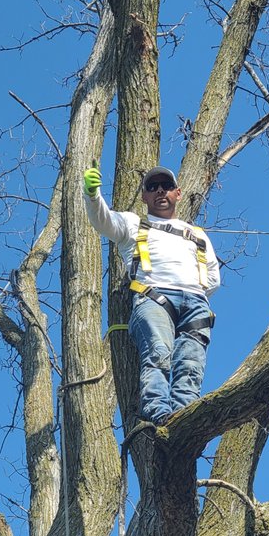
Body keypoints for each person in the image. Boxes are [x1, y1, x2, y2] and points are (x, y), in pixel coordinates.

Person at [83, 162, 220, 425]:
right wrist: (92, 195)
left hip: (196, 303)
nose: (160, 191)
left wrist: (195, 291)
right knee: (158, 353)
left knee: (191, 365)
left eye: (166, 186)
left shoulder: (198, 235)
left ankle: (183, 419)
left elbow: (213, 277)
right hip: (154, 297)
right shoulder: (133, 224)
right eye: (152, 187)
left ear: (177, 193)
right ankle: (159, 416)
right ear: (144, 196)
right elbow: (104, 221)